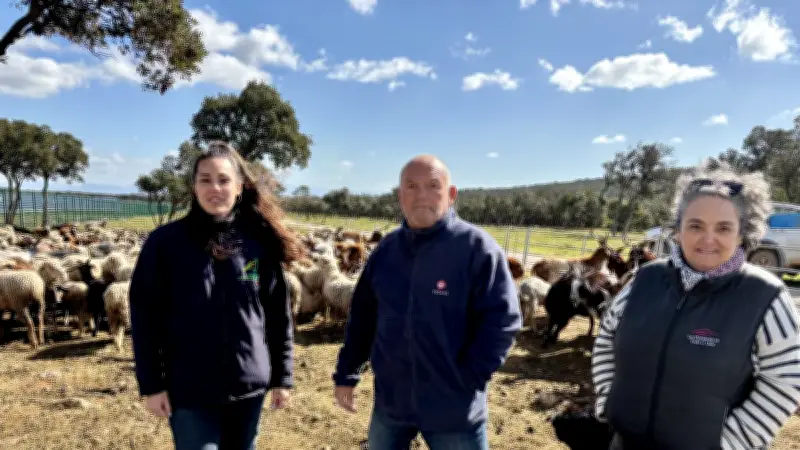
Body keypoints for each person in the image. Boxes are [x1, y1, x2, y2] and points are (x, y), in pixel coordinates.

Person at [591, 160, 800, 450]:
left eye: (724, 228)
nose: (708, 239)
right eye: (695, 225)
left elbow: (785, 381)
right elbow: (606, 340)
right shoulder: (644, 280)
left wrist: (729, 443)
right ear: (678, 230)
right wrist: (607, 400)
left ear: (743, 234)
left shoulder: (766, 296)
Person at [332, 154, 522, 449]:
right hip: (391, 404)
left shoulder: (477, 249)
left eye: (433, 185)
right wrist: (347, 372)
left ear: (452, 194)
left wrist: (468, 379)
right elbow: (363, 317)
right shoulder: (386, 252)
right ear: (400, 196)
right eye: (411, 186)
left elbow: (502, 321)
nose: (421, 195)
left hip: (454, 412)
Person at [128, 141, 303, 450]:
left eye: (224, 180)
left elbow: (278, 315)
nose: (215, 188)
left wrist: (282, 376)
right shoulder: (165, 244)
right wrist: (152, 385)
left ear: (239, 187)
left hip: (249, 384)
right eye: (205, 179)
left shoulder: (257, 245)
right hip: (190, 388)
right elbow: (145, 318)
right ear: (194, 187)